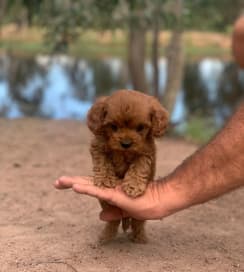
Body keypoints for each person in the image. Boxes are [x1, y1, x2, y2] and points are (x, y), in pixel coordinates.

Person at [54, 16, 244, 222]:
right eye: (114, 128)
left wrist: (153, 188)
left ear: (155, 123)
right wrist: (105, 173)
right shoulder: (102, 128)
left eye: (139, 129)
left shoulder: (148, 134)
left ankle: (136, 227)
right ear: (100, 120)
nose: (126, 139)